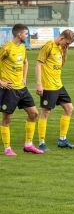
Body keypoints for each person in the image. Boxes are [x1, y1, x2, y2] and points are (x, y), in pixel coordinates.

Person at [0, 24, 43, 155]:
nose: (27, 36)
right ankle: (7, 148)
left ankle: (28, 145)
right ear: (19, 35)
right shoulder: (7, 48)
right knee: (7, 118)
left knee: (34, 114)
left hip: (22, 88)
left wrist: (24, 78)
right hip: (10, 89)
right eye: (26, 33)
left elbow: (25, 62)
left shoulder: (23, 47)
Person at [35, 29, 74, 150]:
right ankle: (41, 142)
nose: (67, 45)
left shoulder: (60, 48)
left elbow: (62, 65)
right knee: (46, 112)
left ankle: (62, 140)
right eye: (67, 43)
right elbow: (38, 64)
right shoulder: (48, 46)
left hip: (58, 85)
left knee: (69, 108)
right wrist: (39, 84)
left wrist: (66, 50)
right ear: (62, 37)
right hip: (48, 86)